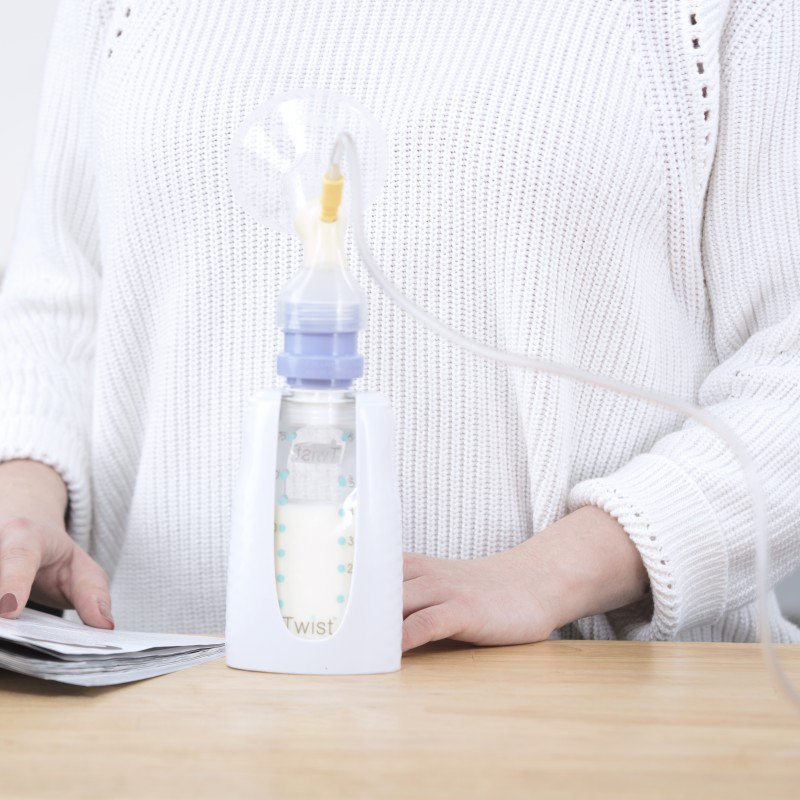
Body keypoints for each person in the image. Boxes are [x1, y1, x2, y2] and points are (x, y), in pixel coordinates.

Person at [1, 0, 798, 648]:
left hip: (587, 708)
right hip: (171, 696)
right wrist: (23, 500)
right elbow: (60, 294)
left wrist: (552, 574)